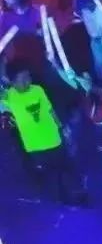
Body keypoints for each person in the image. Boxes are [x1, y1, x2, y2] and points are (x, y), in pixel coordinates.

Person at [0, 62, 82, 203]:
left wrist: (61, 127)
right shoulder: (9, 96)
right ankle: (62, 197)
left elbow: (50, 110)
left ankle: (76, 190)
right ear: (12, 82)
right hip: (35, 145)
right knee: (51, 173)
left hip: (53, 138)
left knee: (64, 165)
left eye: (28, 77)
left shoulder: (38, 90)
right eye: (22, 79)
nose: (27, 81)